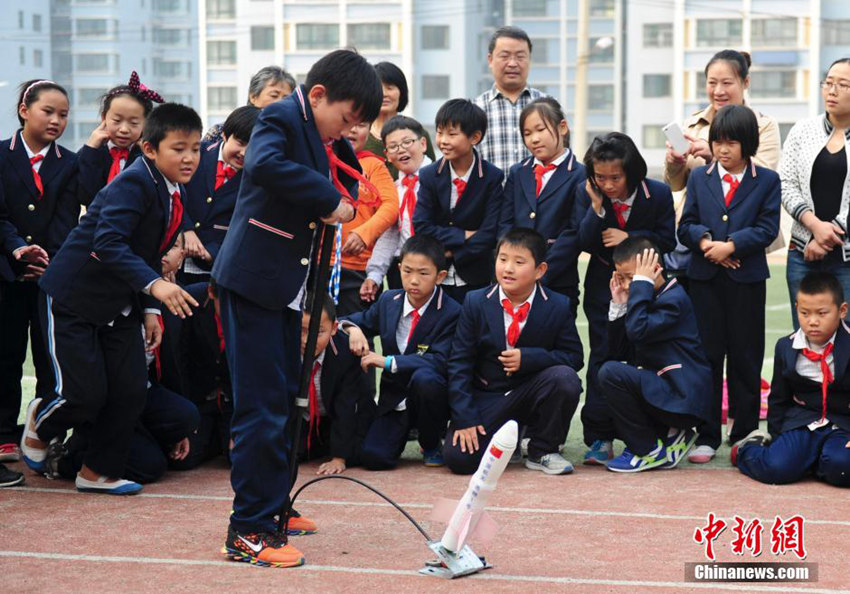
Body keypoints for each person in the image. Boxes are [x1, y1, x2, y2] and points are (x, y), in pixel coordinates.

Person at [212, 49, 381, 568]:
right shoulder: (280, 116)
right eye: (346, 120)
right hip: (254, 281)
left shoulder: (322, 133)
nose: (346, 132)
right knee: (260, 407)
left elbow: (348, 173)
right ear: (318, 96)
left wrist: (344, 193)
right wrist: (330, 200)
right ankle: (247, 531)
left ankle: (274, 509)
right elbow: (264, 165)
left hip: (291, 283)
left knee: (285, 401)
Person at [21, 103, 202, 495]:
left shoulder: (173, 189)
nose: (189, 158)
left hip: (120, 304)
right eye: (179, 148)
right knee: (82, 394)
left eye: (195, 148)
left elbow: (148, 247)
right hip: (74, 296)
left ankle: (97, 471)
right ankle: (40, 420)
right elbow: (108, 243)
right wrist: (156, 286)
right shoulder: (134, 182)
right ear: (150, 148)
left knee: (131, 390)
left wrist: (151, 309)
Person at [677, 104, 781, 463]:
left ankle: (743, 432)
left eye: (732, 143)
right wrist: (707, 243)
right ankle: (706, 434)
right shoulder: (699, 177)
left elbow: (768, 227)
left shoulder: (766, 180)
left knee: (746, 356)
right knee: (706, 356)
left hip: (747, 281)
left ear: (748, 143)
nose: (723, 150)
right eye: (718, 142)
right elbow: (685, 224)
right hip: (705, 280)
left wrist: (733, 245)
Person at [53, 234, 200, 484]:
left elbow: (177, 368)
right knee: (150, 467)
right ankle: (71, 455)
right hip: (111, 395)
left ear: (182, 258)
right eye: (160, 246)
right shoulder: (123, 289)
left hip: (144, 392)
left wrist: (178, 432)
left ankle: (136, 439)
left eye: (174, 247)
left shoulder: (182, 301)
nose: (164, 253)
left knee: (185, 417)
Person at [442, 227, 583, 475]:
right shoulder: (476, 301)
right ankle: (510, 439)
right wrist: (465, 418)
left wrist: (529, 358)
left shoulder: (558, 305)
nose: (507, 268)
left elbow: (574, 357)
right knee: (460, 460)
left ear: (540, 270)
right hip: (489, 395)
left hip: (531, 391)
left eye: (519, 262)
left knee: (565, 378)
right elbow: (459, 363)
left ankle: (542, 449)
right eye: (502, 259)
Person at [574, 133, 676, 464]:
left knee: (644, 357)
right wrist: (596, 207)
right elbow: (585, 241)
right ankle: (599, 437)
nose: (607, 184)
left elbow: (668, 241)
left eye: (614, 177)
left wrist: (630, 237)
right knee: (603, 356)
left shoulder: (657, 192)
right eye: (600, 177)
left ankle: (645, 433)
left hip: (648, 286)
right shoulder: (589, 192)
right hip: (604, 287)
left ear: (631, 171)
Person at [0, 80, 78, 463]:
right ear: (24, 109)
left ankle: (47, 433)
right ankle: (4, 435)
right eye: (48, 111)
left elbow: (67, 219)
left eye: (63, 114)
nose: (56, 120)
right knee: (6, 354)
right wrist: (18, 250)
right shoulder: (1, 155)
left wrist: (46, 259)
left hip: (50, 274)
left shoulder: (70, 162)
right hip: (6, 273)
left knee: (51, 358)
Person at [343, 234, 461, 469]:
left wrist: (387, 362)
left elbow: (439, 361)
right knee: (374, 459)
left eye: (423, 273)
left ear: (440, 277)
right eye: (407, 271)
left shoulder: (452, 311)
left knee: (425, 378)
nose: (413, 280)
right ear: (399, 269)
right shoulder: (389, 300)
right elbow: (351, 320)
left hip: (432, 397)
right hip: (394, 398)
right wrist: (352, 329)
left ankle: (430, 442)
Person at [663, 50, 782, 283]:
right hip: (698, 240)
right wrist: (674, 163)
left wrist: (713, 155)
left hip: (744, 236)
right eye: (712, 83)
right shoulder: (693, 124)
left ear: (745, 82)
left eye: (727, 83)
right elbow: (677, 185)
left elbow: (762, 172)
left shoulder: (763, 125)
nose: (718, 91)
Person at [598, 240, 710, 472]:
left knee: (611, 374)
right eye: (623, 278)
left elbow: (638, 330)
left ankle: (648, 450)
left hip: (682, 396)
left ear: (655, 269)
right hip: (665, 390)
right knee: (611, 369)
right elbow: (618, 353)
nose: (628, 285)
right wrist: (619, 307)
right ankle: (670, 434)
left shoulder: (673, 299)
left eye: (632, 277)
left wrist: (641, 285)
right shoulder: (645, 298)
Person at [731, 271, 850, 487]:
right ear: (796, 309)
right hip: (802, 421)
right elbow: (778, 398)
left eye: (822, 313)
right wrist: (777, 438)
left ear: (842, 310)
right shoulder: (786, 347)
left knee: (842, 468)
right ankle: (747, 448)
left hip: (842, 423)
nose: (813, 321)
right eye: (805, 313)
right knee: (777, 467)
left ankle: (816, 461)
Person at [498, 97, 586, 316]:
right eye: (527, 134)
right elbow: (505, 223)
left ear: (562, 127)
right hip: (513, 285)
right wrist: (512, 265)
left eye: (540, 130)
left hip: (557, 281)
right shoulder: (518, 172)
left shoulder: (580, 174)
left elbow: (574, 232)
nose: (534, 139)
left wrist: (539, 273)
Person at [780, 58, 850, 328]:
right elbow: (785, 183)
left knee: (845, 337)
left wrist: (827, 237)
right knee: (805, 333)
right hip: (802, 252)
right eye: (828, 83)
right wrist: (813, 227)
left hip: (845, 256)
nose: (832, 91)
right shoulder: (802, 130)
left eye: (842, 85)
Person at [413, 99, 504, 303]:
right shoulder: (429, 175)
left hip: (477, 277)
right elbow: (421, 225)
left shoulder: (492, 177)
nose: (443, 140)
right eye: (439, 132)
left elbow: (489, 233)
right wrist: (463, 235)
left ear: (475, 137)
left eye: (452, 134)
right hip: (436, 278)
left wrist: (451, 252)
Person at [180, 105, 260, 285]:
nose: (244, 153)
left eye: (253, 147)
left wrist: (212, 252)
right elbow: (173, 190)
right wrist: (187, 229)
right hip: (173, 258)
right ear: (225, 134)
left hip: (215, 270)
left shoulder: (258, 181)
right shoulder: (195, 153)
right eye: (240, 142)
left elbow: (247, 227)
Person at [298, 292, 373, 476]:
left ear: (334, 328)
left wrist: (339, 456)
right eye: (302, 330)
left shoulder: (346, 353)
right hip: (303, 418)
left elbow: (346, 406)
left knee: (369, 455)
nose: (307, 340)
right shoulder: (283, 349)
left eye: (318, 332)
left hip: (335, 418)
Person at [361, 115, 433, 295]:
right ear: (387, 156)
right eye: (393, 146)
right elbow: (390, 235)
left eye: (407, 142)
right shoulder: (394, 190)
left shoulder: (441, 179)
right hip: (401, 270)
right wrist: (375, 274)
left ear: (423, 144)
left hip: (436, 266)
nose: (401, 150)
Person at [335, 119, 398, 316]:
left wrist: (364, 234)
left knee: (353, 333)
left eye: (361, 124)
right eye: (347, 121)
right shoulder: (322, 160)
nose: (353, 129)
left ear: (370, 131)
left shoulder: (373, 165)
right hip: (316, 264)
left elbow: (391, 206)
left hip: (357, 268)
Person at [77, 71, 164, 205]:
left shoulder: (148, 155)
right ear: (104, 118)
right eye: (117, 120)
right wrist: (90, 149)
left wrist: (148, 156)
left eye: (134, 123)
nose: (124, 129)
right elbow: (85, 195)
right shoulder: (91, 153)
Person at [474, 26, 546, 177]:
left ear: (529, 59)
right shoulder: (475, 110)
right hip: (491, 199)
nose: (513, 63)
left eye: (520, 56)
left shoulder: (549, 107)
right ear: (490, 60)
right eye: (505, 56)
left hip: (539, 199)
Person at [364, 62, 436, 179]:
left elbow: (433, 175)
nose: (384, 94)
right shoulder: (358, 134)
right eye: (379, 88)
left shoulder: (417, 132)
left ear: (401, 92)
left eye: (390, 88)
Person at [202, 65, 296, 144]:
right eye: (274, 95)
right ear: (253, 96)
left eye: (286, 98)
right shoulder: (221, 131)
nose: (280, 103)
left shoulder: (295, 136)